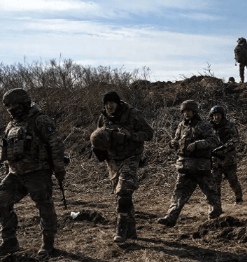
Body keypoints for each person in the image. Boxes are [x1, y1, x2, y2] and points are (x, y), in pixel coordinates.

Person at [0, 88, 67, 256]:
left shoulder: (41, 120)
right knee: (0, 203)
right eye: (7, 105)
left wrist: (59, 168)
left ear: (24, 103)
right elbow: (8, 150)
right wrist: (7, 170)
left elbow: (56, 144)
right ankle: (10, 242)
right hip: (15, 174)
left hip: (38, 172)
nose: (11, 108)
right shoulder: (12, 124)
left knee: (44, 206)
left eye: (14, 104)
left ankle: (48, 244)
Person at [91, 91, 154, 243]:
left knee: (124, 191)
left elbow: (149, 133)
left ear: (118, 103)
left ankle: (120, 231)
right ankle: (131, 232)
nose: (108, 106)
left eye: (111, 103)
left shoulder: (133, 114)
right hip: (112, 160)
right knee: (121, 196)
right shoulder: (103, 117)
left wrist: (129, 135)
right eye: (106, 104)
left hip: (131, 157)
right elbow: (99, 135)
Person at [158, 100, 222, 227]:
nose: (186, 114)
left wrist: (197, 144)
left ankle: (215, 218)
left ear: (194, 111)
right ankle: (171, 218)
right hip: (185, 167)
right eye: (184, 111)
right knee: (179, 193)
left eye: (188, 111)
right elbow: (176, 139)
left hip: (201, 167)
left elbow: (214, 140)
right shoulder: (181, 125)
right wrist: (173, 143)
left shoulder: (204, 125)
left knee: (211, 193)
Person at [209, 106, 243, 204]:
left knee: (233, 181)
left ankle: (239, 198)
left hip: (228, 159)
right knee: (215, 183)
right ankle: (217, 204)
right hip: (215, 161)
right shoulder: (209, 127)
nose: (216, 117)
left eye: (218, 115)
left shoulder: (230, 125)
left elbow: (235, 140)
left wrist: (224, 148)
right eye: (214, 115)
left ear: (223, 115)